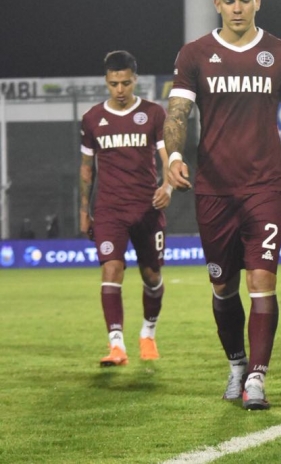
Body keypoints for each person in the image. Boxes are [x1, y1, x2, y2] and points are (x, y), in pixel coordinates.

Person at [164, 0, 281, 410]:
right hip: (214, 190)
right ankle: (236, 363)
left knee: (262, 280)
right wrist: (173, 157)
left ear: (258, 1)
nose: (238, 8)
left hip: (264, 188)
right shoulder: (195, 54)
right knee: (222, 286)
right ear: (217, 4)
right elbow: (176, 114)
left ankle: (257, 376)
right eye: (230, 1)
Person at [80, 50, 172, 367]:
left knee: (152, 276)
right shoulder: (92, 119)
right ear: (106, 81)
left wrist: (167, 186)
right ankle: (116, 345)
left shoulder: (154, 113)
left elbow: (168, 158)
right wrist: (84, 211)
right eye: (113, 84)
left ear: (135, 80)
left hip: (147, 209)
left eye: (125, 83)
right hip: (110, 210)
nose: (119, 90)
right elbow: (86, 169)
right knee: (111, 269)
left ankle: (148, 333)